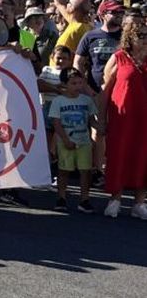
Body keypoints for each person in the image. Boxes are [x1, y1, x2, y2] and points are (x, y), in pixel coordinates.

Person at [97, 19, 147, 219]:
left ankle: (139, 203)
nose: (144, 39)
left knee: (143, 158)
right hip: (122, 119)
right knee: (119, 156)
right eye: (140, 35)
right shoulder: (118, 57)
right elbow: (105, 91)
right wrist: (101, 120)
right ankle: (115, 199)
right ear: (129, 37)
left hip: (144, 121)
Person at [48, 68, 98, 213]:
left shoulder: (86, 100)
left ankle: (84, 199)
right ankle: (61, 197)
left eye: (80, 83)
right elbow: (56, 123)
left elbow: (91, 120)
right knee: (64, 171)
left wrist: (101, 128)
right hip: (66, 141)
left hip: (84, 141)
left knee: (85, 171)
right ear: (64, 84)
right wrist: (65, 140)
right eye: (73, 83)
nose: (78, 86)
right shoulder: (58, 101)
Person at [76, 0, 124, 93]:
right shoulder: (90, 36)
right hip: (95, 90)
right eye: (114, 12)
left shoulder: (126, 36)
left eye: (121, 12)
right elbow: (78, 63)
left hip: (121, 89)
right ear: (103, 15)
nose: (119, 15)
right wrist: (85, 87)